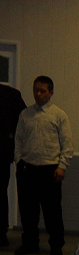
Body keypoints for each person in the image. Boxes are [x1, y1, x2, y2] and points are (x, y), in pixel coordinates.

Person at [14, 75, 74, 255]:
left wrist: (62, 166)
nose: (38, 94)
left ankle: (56, 245)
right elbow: (18, 140)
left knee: (52, 212)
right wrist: (19, 161)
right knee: (28, 211)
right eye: (36, 90)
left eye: (42, 91)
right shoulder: (25, 114)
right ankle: (29, 243)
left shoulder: (59, 115)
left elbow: (67, 144)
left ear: (50, 92)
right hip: (28, 169)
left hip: (50, 170)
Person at [0, 84, 26, 246]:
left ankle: (1, 233)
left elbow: (23, 122)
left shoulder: (10, 95)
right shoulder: (10, 94)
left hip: (2, 154)